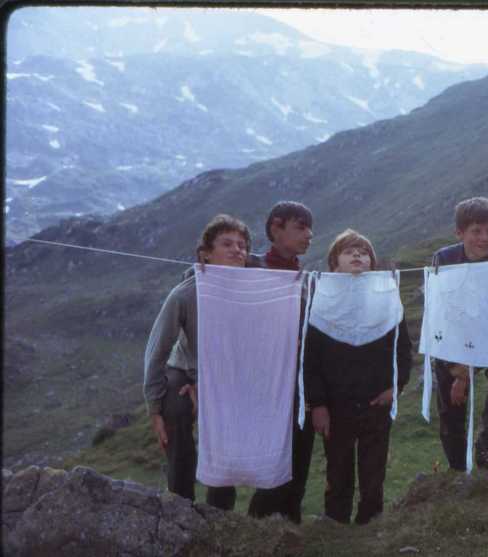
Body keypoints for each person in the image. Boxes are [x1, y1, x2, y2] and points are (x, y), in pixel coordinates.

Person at [303, 229, 412, 524]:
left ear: (372, 263)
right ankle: (335, 523)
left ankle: (370, 522)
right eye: (349, 251)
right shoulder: (320, 299)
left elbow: (403, 349)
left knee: (373, 468)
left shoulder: (387, 297)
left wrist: (395, 387)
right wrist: (318, 405)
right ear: (334, 263)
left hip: (376, 402)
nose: (357, 255)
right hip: (335, 405)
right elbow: (310, 360)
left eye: (363, 252)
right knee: (337, 467)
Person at [143, 214, 252, 508]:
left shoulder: (255, 293)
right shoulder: (185, 295)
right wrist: (154, 409)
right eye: (227, 244)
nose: (237, 250)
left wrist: (208, 386)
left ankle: (219, 513)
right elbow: (156, 352)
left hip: (226, 375)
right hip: (184, 367)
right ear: (205, 254)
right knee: (176, 407)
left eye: (242, 245)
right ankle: (180, 505)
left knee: (223, 422)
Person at [431, 196, 488, 471]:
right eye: (476, 231)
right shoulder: (444, 259)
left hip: (487, 338)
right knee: (450, 407)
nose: (484, 238)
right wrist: (456, 369)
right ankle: (458, 466)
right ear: (460, 233)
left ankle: (487, 443)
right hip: (450, 339)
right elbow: (443, 313)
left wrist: (468, 370)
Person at [246, 200, 316, 523]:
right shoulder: (248, 269)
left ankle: (291, 526)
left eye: (310, 229)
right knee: (272, 460)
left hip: (300, 381)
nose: (309, 235)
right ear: (276, 228)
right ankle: (259, 524)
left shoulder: (306, 278)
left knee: (300, 454)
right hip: (263, 381)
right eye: (301, 227)